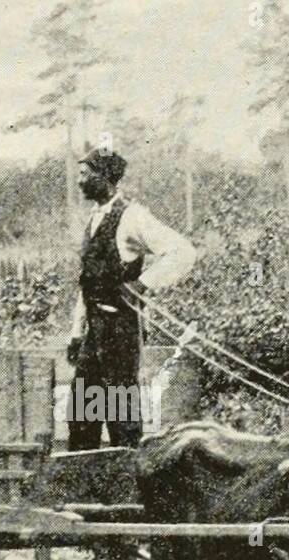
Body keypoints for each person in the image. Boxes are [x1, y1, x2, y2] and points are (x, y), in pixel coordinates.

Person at [67, 147, 197, 451]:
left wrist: (142, 284)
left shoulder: (132, 216)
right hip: (94, 332)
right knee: (83, 414)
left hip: (118, 330)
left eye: (85, 175)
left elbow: (183, 251)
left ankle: (129, 491)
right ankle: (84, 492)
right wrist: (76, 333)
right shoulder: (94, 218)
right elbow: (88, 282)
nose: (80, 182)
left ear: (105, 177)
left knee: (119, 412)